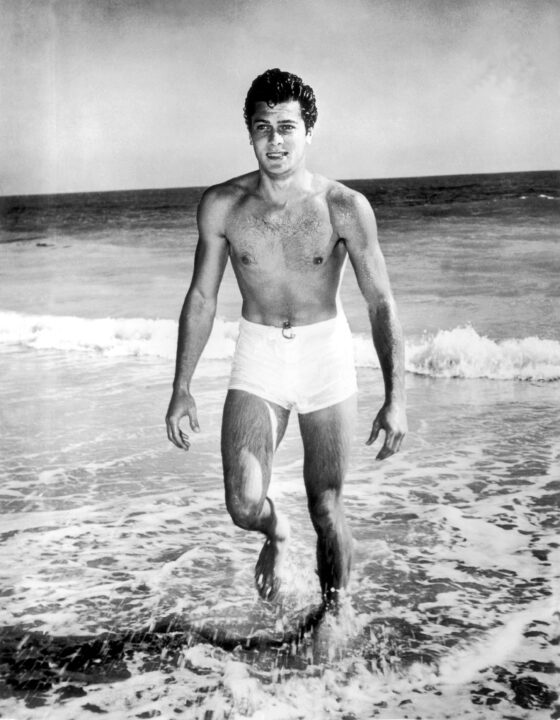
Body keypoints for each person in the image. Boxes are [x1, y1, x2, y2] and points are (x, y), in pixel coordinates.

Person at [166, 68, 407, 608]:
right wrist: (181, 386)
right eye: (262, 128)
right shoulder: (223, 206)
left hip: (325, 355)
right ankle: (276, 532)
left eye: (286, 127)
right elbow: (202, 298)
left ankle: (334, 616)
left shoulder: (343, 206)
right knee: (243, 503)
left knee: (327, 506)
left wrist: (397, 399)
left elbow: (381, 302)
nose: (275, 140)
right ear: (249, 134)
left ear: (308, 131)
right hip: (260, 355)